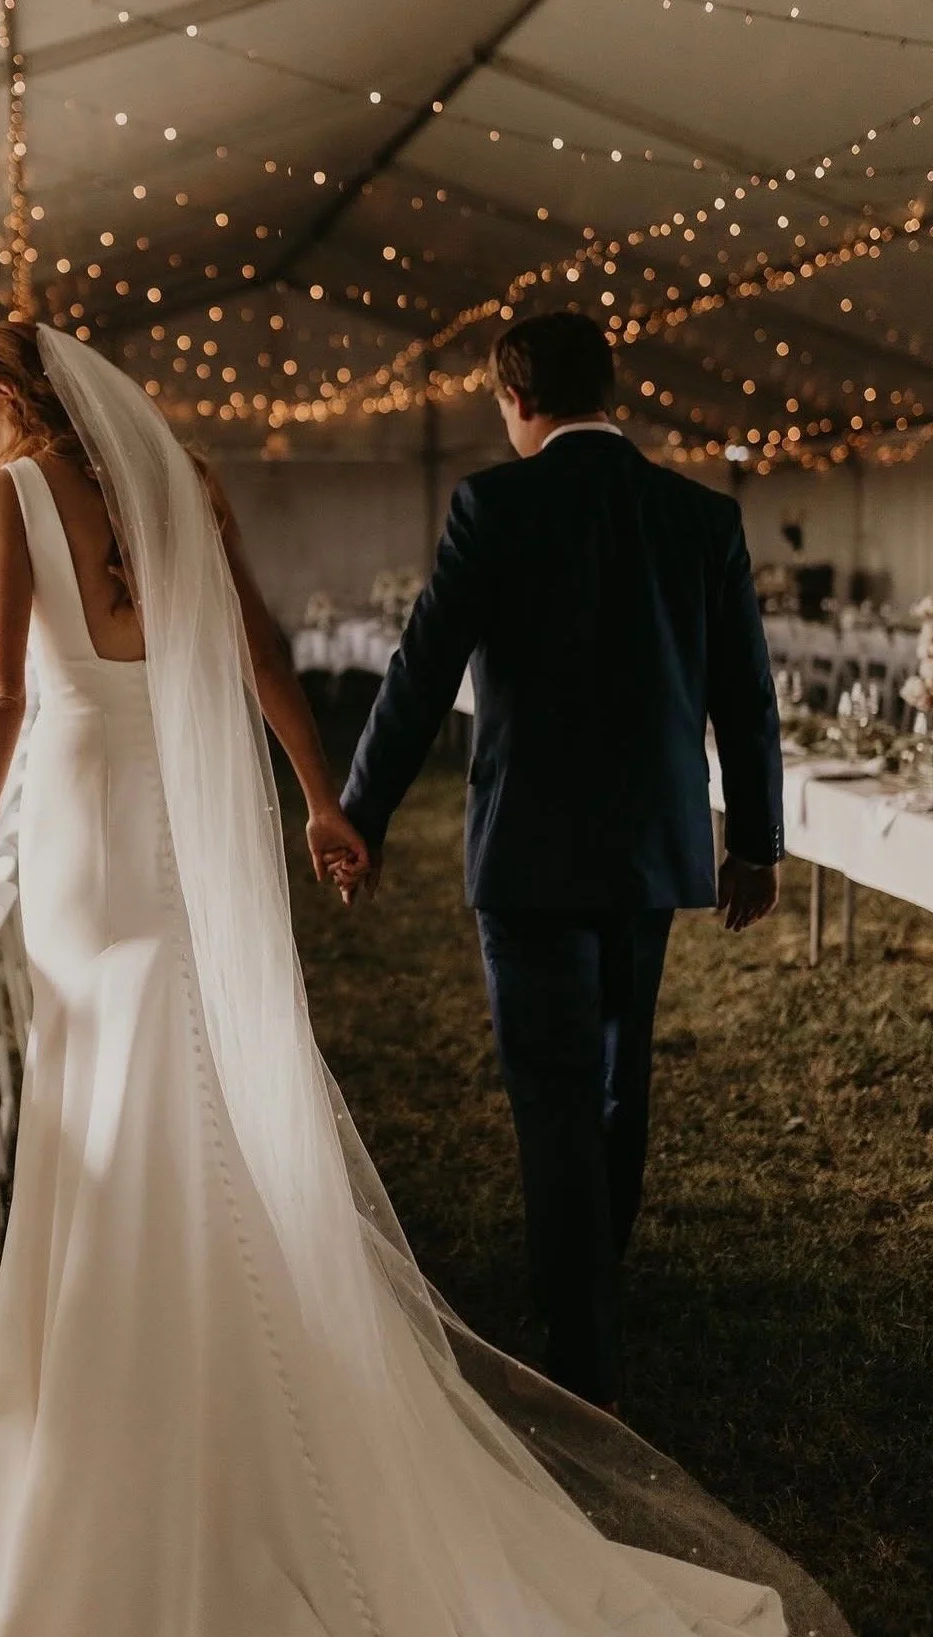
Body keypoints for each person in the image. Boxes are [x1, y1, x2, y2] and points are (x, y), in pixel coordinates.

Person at [0, 319, 845, 1637]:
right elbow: (263, 658)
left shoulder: (4, 496)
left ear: (4, 406)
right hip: (235, 839)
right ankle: (467, 1333)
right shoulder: (180, 478)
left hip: (101, 843)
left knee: (112, 1098)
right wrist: (321, 802)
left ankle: (140, 1401)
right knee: (224, 1088)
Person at [339, 311, 784, 1416]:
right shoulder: (699, 514)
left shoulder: (497, 503)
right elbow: (747, 694)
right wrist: (757, 840)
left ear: (514, 398)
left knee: (551, 1093)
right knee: (619, 1073)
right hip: (651, 851)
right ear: (611, 387)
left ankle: (580, 1351)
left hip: (531, 850)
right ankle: (596, 1279)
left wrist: (363, 810)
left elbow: (421, 664)